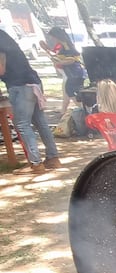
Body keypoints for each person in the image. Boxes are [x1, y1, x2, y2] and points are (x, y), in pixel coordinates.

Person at [0, 29, 61, 174]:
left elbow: (1, 69)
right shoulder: (5, 38)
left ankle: (35, 163)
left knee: (22, 124)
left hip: (20, 86)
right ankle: (53, 158)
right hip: (33, 82)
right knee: (40, 122)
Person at [41, 27, 86, 113]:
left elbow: (71, 59)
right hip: (70, 74)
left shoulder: (66, 46)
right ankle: (63, 112)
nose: (52, 39)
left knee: (71, 92)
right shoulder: (62, 45)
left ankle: (84, 110)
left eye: (52, 37)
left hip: (73, 74)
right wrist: (48, 51)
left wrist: (59, 62)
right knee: (67, 94)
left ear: (57, 36)